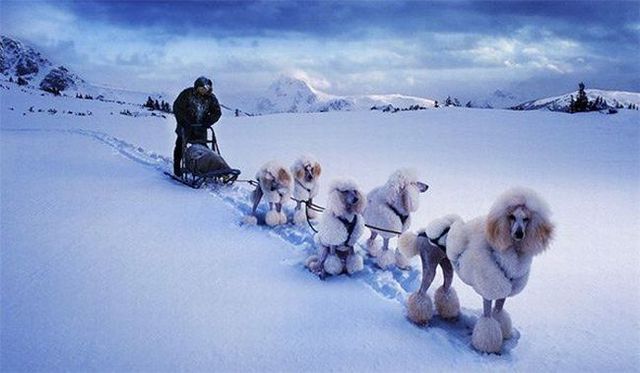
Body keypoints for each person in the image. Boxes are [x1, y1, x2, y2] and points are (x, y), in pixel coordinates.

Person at [172, 76, 222, 177]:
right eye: (202, 88)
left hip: (201, 128)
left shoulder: (211, 98)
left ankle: (207, 167)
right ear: (197, 87)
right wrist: (184, 121)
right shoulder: (187, 94)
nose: (204, 90)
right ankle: (177, 167)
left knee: (203, 149)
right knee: (180, 146)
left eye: (206, 88)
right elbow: (177, 108)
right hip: (185, 127)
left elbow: (217, 112)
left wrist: (207, 121)